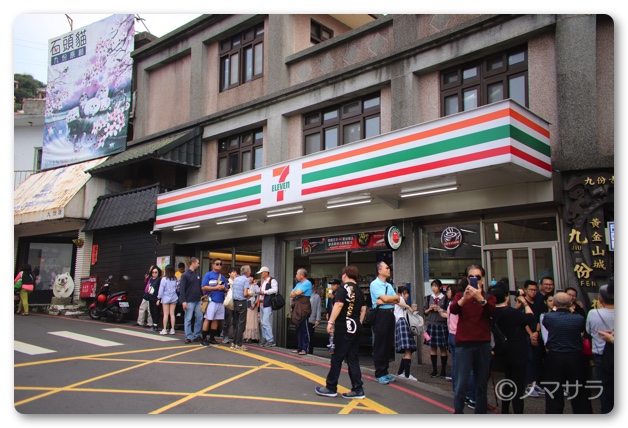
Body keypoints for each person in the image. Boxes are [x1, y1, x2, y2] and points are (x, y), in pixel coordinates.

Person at [449, 264, 496, 414]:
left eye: (478, 277)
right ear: (467, 279)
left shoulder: (489, 297)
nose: (475, 280)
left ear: (483, 279)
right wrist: (465, 298)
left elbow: (492, 312)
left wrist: (480, 298)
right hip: (464, 345)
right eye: (471, 277)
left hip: (483, 344)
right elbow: (453, 310)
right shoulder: (459, 296)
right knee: (461, 383)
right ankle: (458, 412)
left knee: (481, 384)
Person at [315, 265, 367, 399]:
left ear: (345, 275)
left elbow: (338, 305)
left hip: (344, 328)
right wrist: (359, 322)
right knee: (352, 359)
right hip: (356, 327)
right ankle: (358, 389)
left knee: (337, 358)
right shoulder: (359, 290)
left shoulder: (343, 288)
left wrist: (330, 322)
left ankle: (331, 387)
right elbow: (363, 309)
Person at [489, 279, 536, 414]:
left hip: (502, 351)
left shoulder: (492, 312)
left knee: (508, 380)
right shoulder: (512, 313)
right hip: (517, 351)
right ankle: (518, 412)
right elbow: (530, 317)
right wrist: (524, 302)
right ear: (506, 297)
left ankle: (505, 410)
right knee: (518, 385)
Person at [541, 292, 592, 414]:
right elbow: (581, 329)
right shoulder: (578, 318)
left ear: (554, 303)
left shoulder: (548, 317)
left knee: (554, 390)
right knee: (579, 391)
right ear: (570, 303)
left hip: (555, 356)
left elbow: (547, 326)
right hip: (575, 356)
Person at [585, 283, 614, 413]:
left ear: (600, 298)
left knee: (606, 391)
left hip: (601, 356)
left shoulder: (593, 313)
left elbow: (588, 331)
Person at [369, 261, 399, 385]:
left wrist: (387, 300)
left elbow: (397, 300)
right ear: (379, 270)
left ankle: (385, 371)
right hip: (380, 315)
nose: (389, 270)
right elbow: (388, 298)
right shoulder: (374, 284)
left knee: (388, 344)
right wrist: (388, 299)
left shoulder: (389, 285)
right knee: (380, 344)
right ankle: (379, 373)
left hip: (390, 314)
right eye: (386, 268)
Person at [515, 280, 545, 398]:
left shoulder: (538, 303)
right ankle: (528, 385)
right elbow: (523, 320)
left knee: (536, 359)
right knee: (529, 359)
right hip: (525, 334)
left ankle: (535, 383)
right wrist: (531, 334)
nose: (533, 292)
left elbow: (538, 319)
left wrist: (536, 332)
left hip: (536, 332)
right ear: (525, 290)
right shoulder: (522, 302)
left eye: (535, 290)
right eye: (531, 290)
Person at [423, 279, 449, 378]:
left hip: (442, 324)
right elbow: (424, 312)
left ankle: (443, 371)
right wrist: (430, 309)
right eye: (432, 286)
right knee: (432, 347)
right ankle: (434, 370)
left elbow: (449, 312)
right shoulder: (428, 298)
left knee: (443, 348)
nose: (433, 288)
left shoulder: (445, 298)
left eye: (435, 286)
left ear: (440, 287)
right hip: (431, 324)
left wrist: (439, 309)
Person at [200, 258, 228, 346]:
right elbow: (203, 287)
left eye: (220, 264)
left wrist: (224, 288)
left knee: (216, 319)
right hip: (211, 300)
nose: (219, 266)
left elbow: (226, 289)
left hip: (220, 300)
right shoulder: (208, 274)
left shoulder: (222, 277)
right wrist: (215, 288)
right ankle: (204, 338)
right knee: (208, 318)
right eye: (217, 264)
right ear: (212, 265)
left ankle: (212, 338)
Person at [394, 285, 418, 380]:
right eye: (405, 293)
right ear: (400, 294)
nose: (407, 295)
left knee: (408, 350)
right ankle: (407, 375)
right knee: (408, 349)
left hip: (402, 323)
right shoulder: (399, 299)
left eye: (407, 293)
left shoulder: (402, 301)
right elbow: (398, 301)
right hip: (402, 323)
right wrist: (408, 307)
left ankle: (400, 373)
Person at [179, 257, 203, 344]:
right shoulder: (185, 275)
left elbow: (199, 287)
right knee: (188, 318)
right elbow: (182, 289)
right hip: (189, 300)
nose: (198, 264)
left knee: (199, 318)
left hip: (198, 299)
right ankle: (188, 336)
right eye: (197, 263)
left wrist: (202, 296)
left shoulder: (197, 274)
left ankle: (197, 335)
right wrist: (183, 301)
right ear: (193, 263)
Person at [290, 268, 312, 355]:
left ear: (302, 275)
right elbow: (291, 294)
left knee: (304, 329)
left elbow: (296, 293)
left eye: (297, 274)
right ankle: (299, 348)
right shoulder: (299, 284)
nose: (296, 275)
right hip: (297, 306)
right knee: (298, 329)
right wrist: (297, 293)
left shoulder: (307, 283)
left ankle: (305, 348)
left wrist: (298, 293)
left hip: (304, 307)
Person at [231, 265, 252, 351]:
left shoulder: (236, 279)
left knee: (236, 323)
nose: (250, 272)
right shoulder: (245, 280)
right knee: (241, 323)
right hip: (242, 302)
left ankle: (234, 343)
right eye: (249, 270)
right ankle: (239, 344)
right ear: (246, 272)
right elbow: (245, 293)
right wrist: (251, 294)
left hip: (235, 302)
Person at [257, 266, 279, 347]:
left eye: (261, 273)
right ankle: (265, 339)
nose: (260, 274)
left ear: (266, 273)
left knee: (265, 322)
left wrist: (264, 292)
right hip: (262, 303)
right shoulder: (264, 281)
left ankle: (270, 340)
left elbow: (275, 290)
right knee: (263, 322)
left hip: (268, 303)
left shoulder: (272, 280)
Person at [157, 264, 178, 335]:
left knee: (166, 314)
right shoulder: (175, 279)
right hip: (174, 297)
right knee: (172, 314)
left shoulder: (164, 279)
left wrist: (159, 298)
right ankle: (172, 329)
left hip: (165, 298)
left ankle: (164, 329)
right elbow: (177, 287)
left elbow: (161, 290)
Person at [221, 267, 239, 345]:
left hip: (236, 302)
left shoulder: (238, 281)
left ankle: (235, 337)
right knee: (227, 321)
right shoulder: (226, 281)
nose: (235, 273)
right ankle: (225, 336)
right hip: (229, 303)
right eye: (233, 272)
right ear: (229, 273)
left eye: (236, 272)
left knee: (236, 321)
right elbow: (224, 290)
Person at [243, 275, 261, 343]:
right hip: (245, 304)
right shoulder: (244, 286)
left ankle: (252, 337)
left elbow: (258, 295)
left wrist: (254, 303)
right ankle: (245, 336)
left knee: (252, 321)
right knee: (246, 321)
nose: (250, 278)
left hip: (253, 305)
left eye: (251, 277)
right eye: (249, 277)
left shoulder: (255, 286)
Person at [144, 266, 162, 332]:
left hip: (156, 297)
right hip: (151, 296)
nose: (154, 274)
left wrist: (159, 298)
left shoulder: (159, 279)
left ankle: (155, 325)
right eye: (153, 272)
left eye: (156, 272)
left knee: (156, 311)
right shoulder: (151, 279)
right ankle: (153, 324)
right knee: (151, 311)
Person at [307, 285, 323, 354]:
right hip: (303, 318)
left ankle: (309, 350)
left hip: (311, 318)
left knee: (310, 335)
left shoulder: (316, 296)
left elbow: (318, 308)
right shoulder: (303, 295)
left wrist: (318, 319)